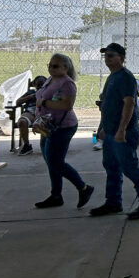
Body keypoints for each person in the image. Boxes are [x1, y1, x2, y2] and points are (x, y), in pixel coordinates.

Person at [91, 43, 139, 220]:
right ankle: (113, 201)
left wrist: (121, 130)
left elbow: (129, 104)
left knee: (129, 167)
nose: (107, 59)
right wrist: (105, 129)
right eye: (105, 56)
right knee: (111, 166)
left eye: (111, 56)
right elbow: (110, 105)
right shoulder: (112, 77)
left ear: (121, 57)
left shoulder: (125, 77)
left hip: (124, 133)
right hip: (111, 131)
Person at [32, 54, 94, 209]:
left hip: (62, 127)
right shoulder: (50, 79)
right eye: (50, 65)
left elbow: (66, 105)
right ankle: (56, 195)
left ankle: (83, 188)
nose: (51, 68)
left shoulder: (67, 84)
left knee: (56, 162)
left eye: (55, 66)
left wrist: (44, 102)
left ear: (65, 68)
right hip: (47, 126)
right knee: (50, 161)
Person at [93, 78, 139, 151]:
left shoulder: (132, 81)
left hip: (131, 108)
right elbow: (103, 95)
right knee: (107, 115)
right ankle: (101, 139)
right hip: (117, 107)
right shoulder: (113, 82)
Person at [14, 75, 47, 156]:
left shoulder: (48, 92)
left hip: (44, 113)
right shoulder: (31, 92)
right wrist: (30, 97)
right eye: (38, 85)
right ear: (34, 85)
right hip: (31, 112)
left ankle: (47, 146)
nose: (40, 87)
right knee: (22, 121)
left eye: (42, 85)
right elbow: (18, 102)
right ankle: (27, 145)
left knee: (49, 122)